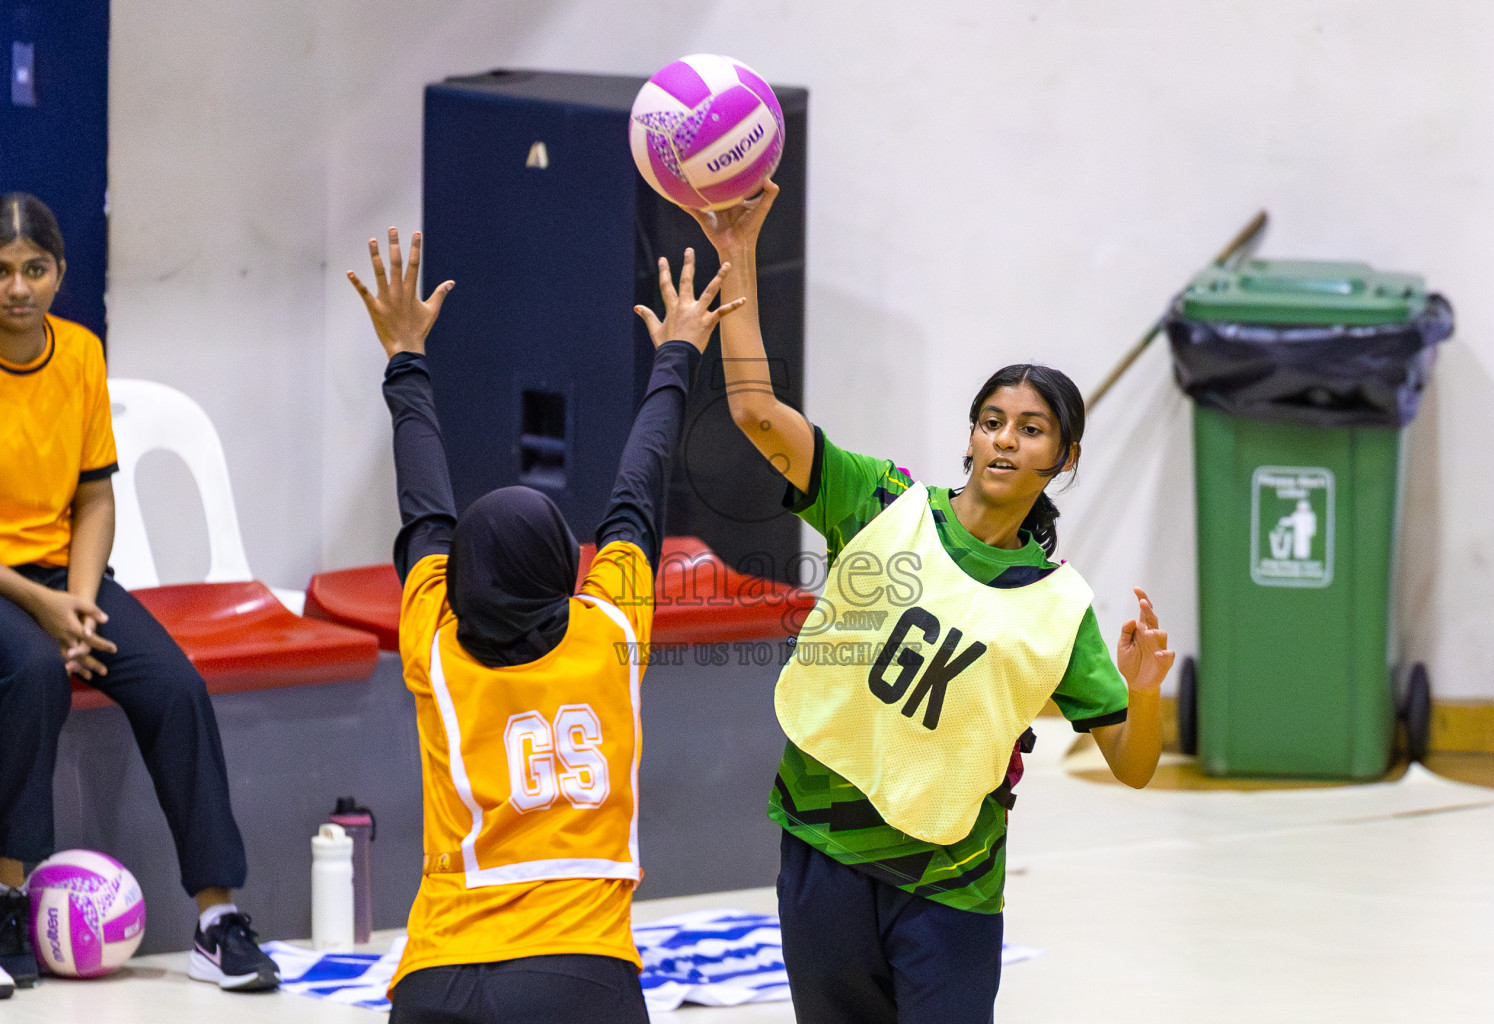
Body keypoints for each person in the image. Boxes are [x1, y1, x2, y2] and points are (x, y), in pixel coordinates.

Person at [689, 181, 1174, 1024]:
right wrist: (738, 257)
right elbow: (756, 411)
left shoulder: (1057, 606)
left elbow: (1133, 766)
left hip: (949, 884)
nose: (1004, 439)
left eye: (1029, 429)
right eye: (992, 420)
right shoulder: (883, 501)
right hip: (823, 841)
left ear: (1063, 459)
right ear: (970, 434)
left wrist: (1143, 691)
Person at [350, 228, 740, 1024]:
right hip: (578, 975)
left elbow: (425, 502)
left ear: (459, 575)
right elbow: (638, 489)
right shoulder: (610, 631)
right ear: (565, 568)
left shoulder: (433, 635)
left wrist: (405, 354)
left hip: (440, 976)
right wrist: (675, 356)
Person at [0, 192, 280, 992]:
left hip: (66, 577)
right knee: (32, 674)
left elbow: (95, 496)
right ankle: (7, 897)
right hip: (3, 585)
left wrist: (80, 603)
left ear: (58, 273)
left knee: (175, 687)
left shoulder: (80, 352)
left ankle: (216, 918)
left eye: (35, 269)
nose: (17, 288)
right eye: (1, 272)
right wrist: (46, 611)